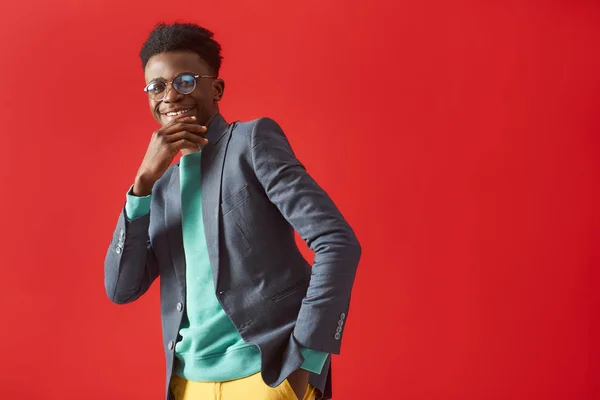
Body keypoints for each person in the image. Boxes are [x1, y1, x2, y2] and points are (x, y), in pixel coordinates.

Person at [104, 22, 361, 400]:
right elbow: (121, 288)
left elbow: (337, 242)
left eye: (186, 81)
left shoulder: (250, 142)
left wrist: (309, 358)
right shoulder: (159, 188)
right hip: (187, 383)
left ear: (217, 88)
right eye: (156, 87)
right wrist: (141, 184)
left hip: (267, 375)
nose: (170, 97)